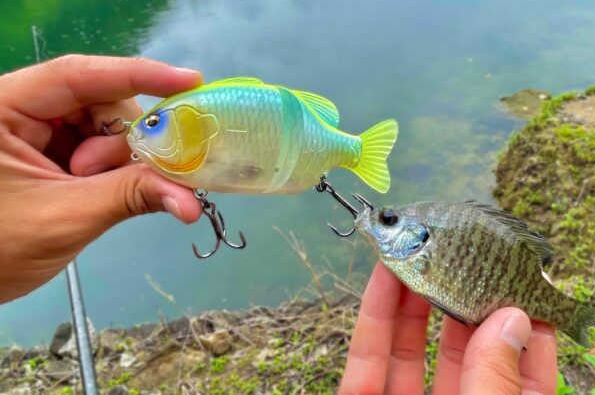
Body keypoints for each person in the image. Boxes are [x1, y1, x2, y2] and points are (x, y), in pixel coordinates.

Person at [0, 55, 557, 394]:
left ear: (189, 124)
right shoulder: (177, 140)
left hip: (308, 156)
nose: (140, 134)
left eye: (151, 123)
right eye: (144, 124)